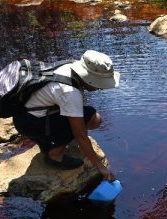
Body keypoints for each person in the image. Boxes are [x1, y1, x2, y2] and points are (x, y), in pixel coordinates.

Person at [12, 50, 119, 181]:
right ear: (89, 78)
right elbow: (81, 136)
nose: (100, 88)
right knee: (91, 119)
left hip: (26, 115)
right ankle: (55, 155)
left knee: (83, 116)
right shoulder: (70, 92)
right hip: (29, 123)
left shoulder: (69, 66)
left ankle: (45, 142)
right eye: (99, 83)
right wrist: (101, 168)